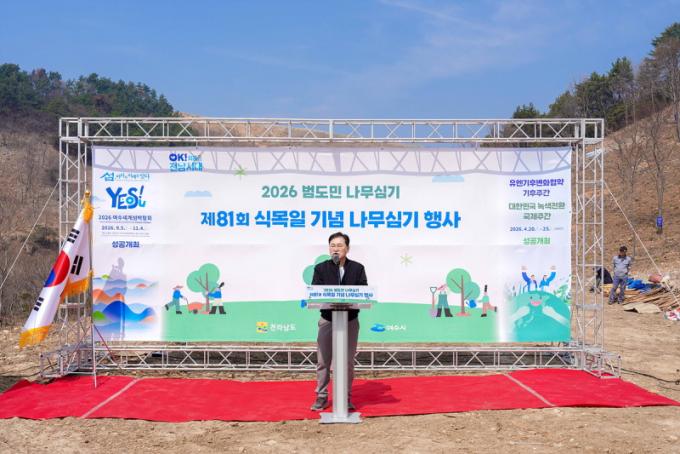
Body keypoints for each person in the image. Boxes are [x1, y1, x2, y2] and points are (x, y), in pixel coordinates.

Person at [310, 232, 367, 412]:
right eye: (332, 245)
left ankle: (345, 397)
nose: (335, 249)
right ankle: (321, 396)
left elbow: (364, 292)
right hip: (328, 319)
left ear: (347, 248)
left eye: (339, 245)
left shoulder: (357, 268)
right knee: (323, 361)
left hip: (349, 320)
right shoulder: (321, 268)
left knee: (347, 362)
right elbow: (315, 291)